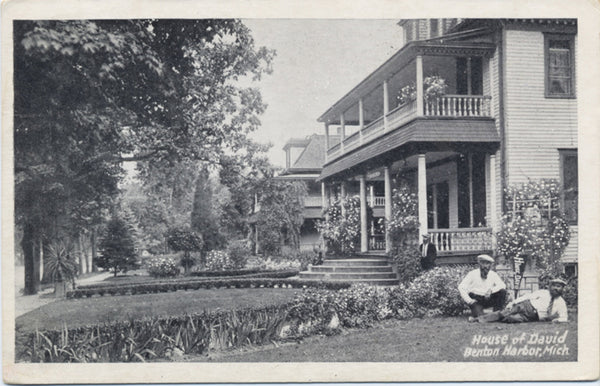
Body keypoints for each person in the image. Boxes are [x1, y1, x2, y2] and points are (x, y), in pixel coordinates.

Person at [473, 278, 568, 323]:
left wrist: (556, 320)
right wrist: (513, 302)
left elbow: (564, 317)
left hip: (533, 316)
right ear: (550, 287)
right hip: (525, 305)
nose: (555, 288)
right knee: (503, 313)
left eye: (558, 286)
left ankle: (493, 317)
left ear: (562, 289)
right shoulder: (543, 292)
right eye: (554, 286)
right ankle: (478, 319)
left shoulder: (561, 303)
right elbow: (527, 296)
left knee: (510, 319)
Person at [458, 254, 507, 320]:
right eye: (483, 263)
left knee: (502, 291)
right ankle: (479, 314)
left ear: (490, 266)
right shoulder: (472, 274)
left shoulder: (493, 274)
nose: (485, 266)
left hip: (488, 298)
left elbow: (502, 285)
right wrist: (469, 301)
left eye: (488, 264)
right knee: (480, 317)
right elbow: (461, 287)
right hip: (476, 300)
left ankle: (497, 313)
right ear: (479, 264)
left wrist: (491, 290)